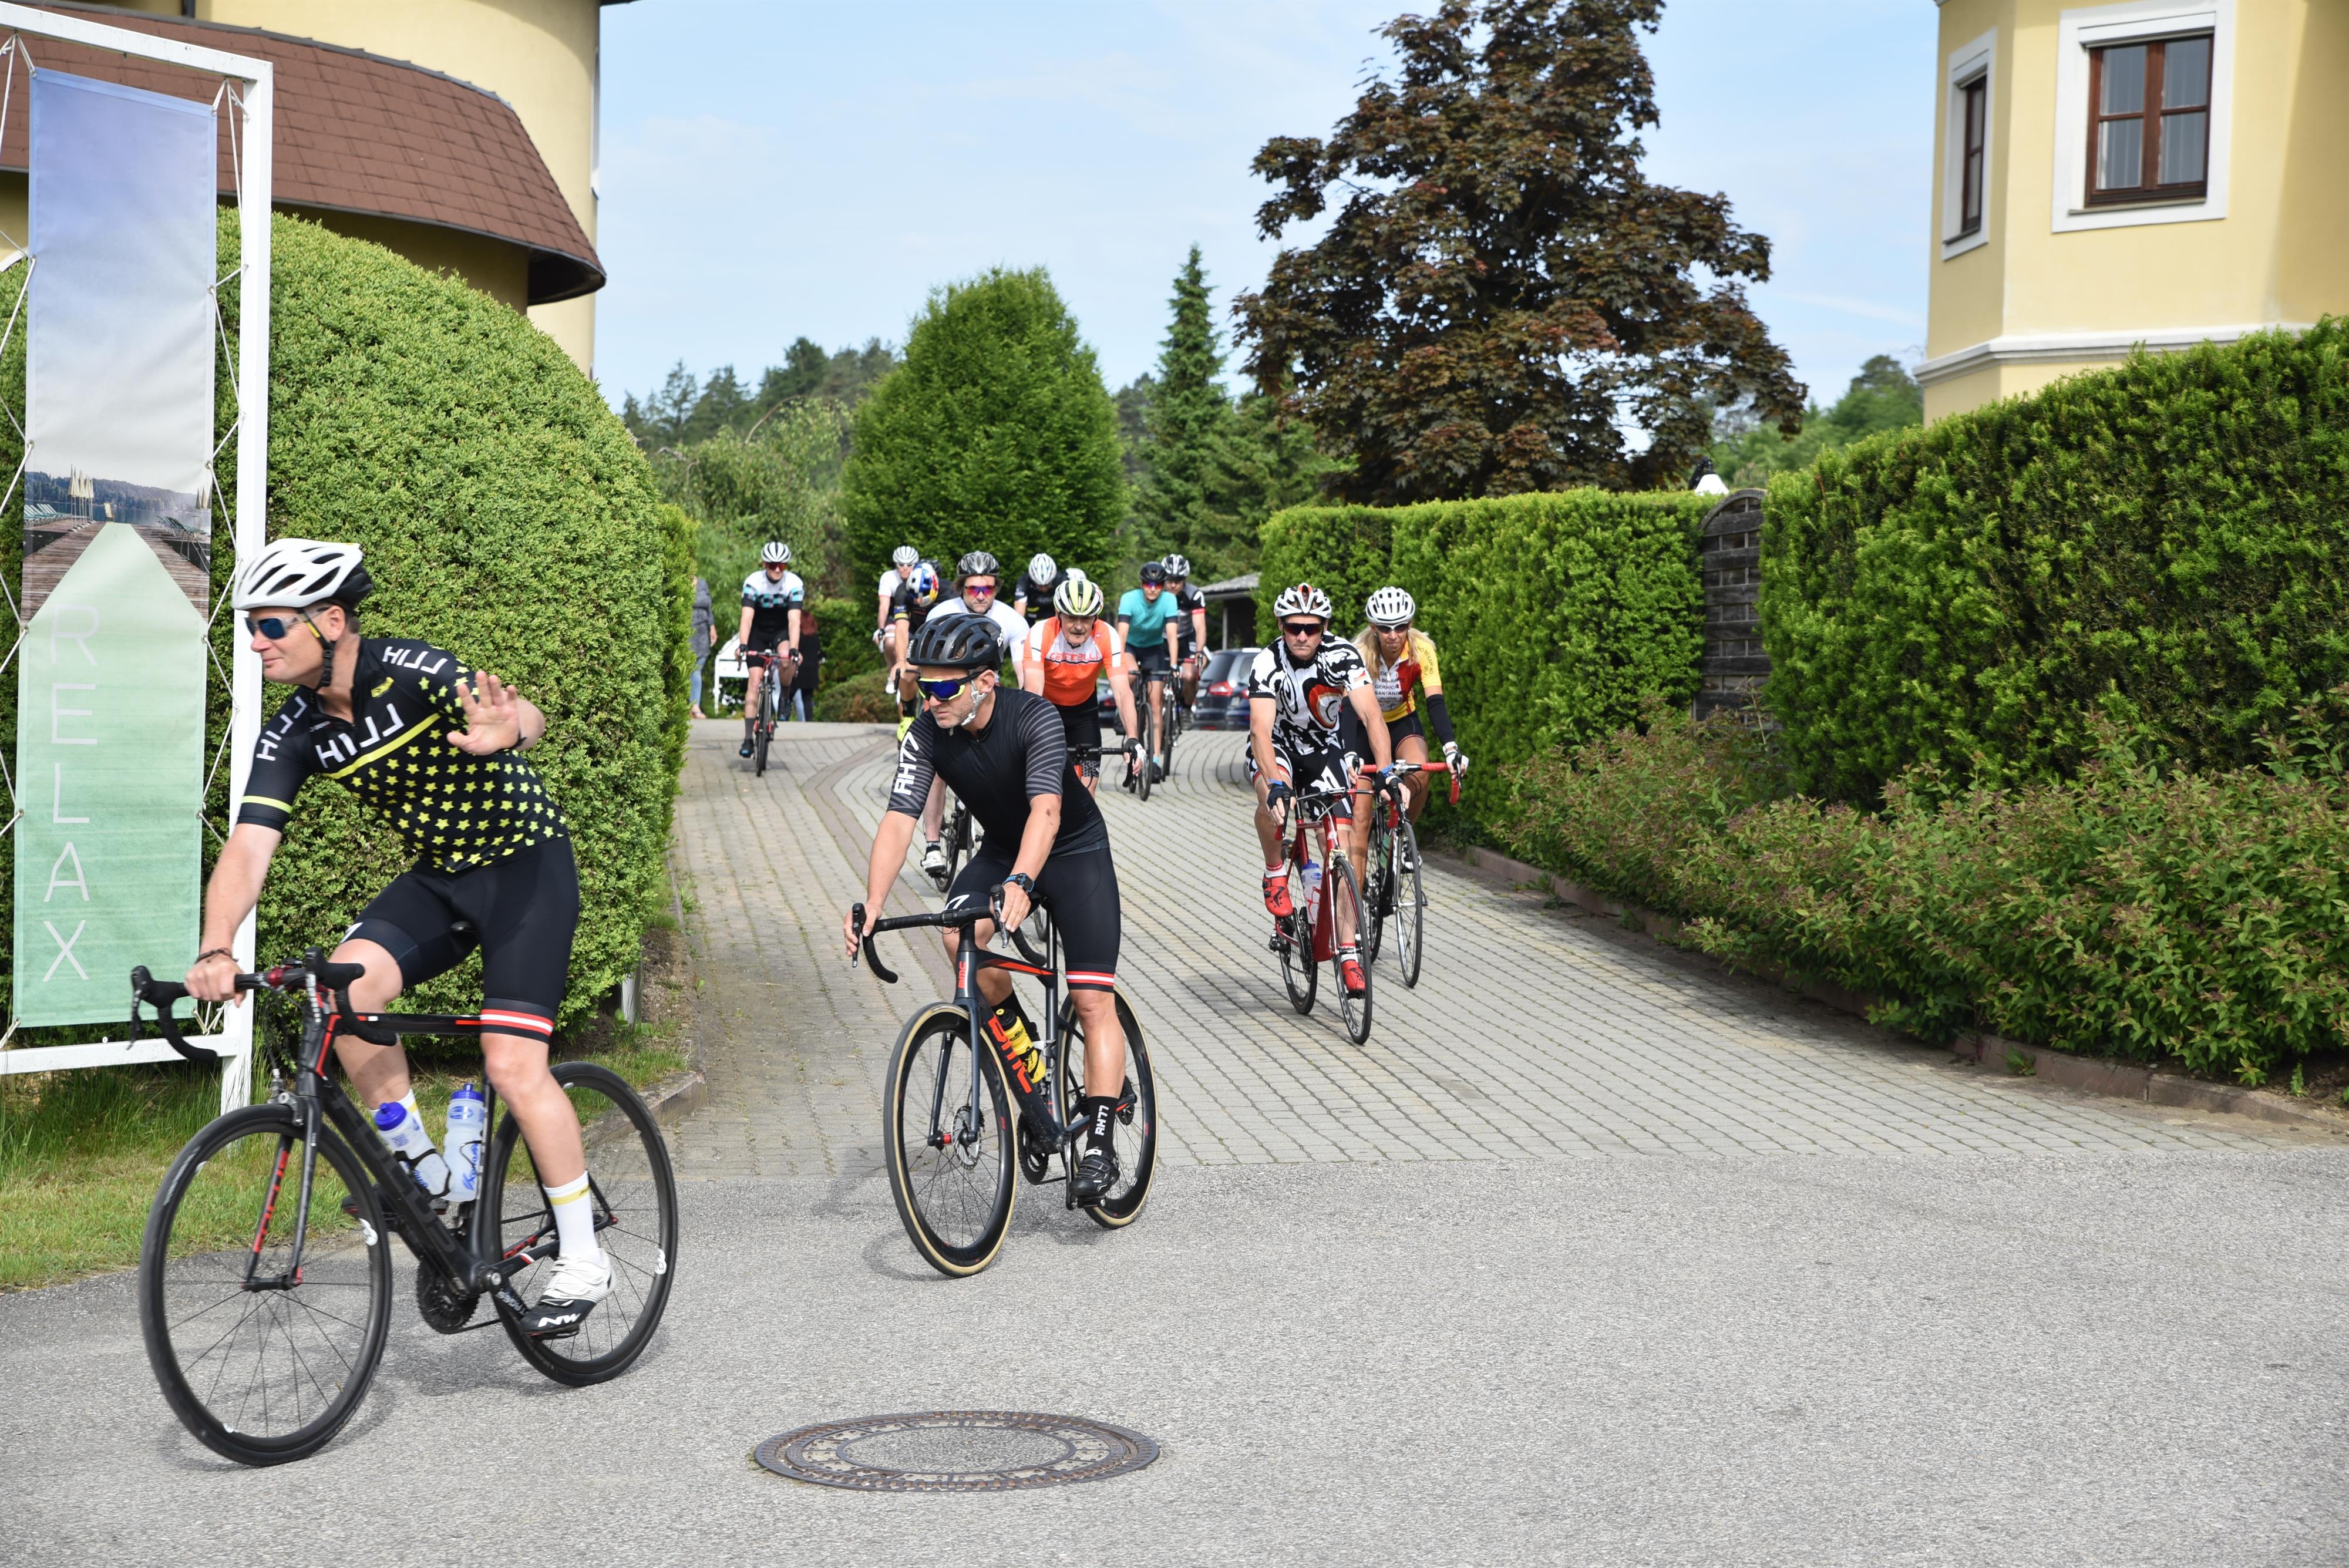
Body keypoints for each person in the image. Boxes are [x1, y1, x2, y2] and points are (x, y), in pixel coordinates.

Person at [188, 539, 605, 1335]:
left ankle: (584, 1256)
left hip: (526, 870)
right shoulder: (297, 729)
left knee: (512, 1065)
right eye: (251, 627)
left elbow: (525, 715)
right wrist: (216, 946)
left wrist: (509, 731)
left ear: (330, 620)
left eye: (271, 625)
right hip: (443, 878)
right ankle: (423, 1173)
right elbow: (247, 848)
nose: (257, 642)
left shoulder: (413, 671)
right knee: (340, 989)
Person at [844, 613, 1133, 1203]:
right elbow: (900, 818)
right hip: (1003, 849)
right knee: (959, 939)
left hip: (1073, 852)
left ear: (984, 681)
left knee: (1090, 999)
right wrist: (872, 903)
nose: (933, 698)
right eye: (926, 685)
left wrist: (1023, 882)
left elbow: (1047, 812)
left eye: (946, 687)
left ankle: (1101, 1145)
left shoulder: (1035, 717)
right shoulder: (927, 732)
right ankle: (1029, 1064)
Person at [1246, 583, 1398, 997]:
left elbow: (1372, 717)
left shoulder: (1343, 656)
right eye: (1293, 627)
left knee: (1343, 848)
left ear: (1324, 628)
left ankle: (1347, 951)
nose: (1302, 636)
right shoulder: (1266, 662)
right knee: (1274, 801)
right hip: (1278, 745)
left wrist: (1385, 771)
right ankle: (1275, 872)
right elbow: (1260, 730)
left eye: (1311, 628)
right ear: (1281, 626)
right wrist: (1277, 785)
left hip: (1322, 750)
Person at [918, 551, 1031, 879]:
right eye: (973, 589)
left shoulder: (1012, 620)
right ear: (961, 588)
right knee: (938, 768)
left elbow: (1024, 673)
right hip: (945, 696)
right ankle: (932, 844)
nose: (981, 595)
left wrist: (1029, 711)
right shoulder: (940, 613)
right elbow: (928, 669)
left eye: (988, 588)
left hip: (986, 698)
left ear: (996, 588)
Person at [1350, 587, 1466, 872]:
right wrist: (1349, 751)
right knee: (1361, 817)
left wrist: (1451, 748)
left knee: (1421, 771)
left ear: (1410, 624)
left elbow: (1435, 702)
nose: (1393, 635)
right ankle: (1355, 890)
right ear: (1373, 627)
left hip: (1402, 720)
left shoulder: (1421, 649)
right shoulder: (1359, 652)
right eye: (1385, 628)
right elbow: (1346, 706)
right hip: (1364, 726)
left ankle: (1401, 833)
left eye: (1400, 627)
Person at [1021, 574, 1139, 795]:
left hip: (1084, 714)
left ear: (1096, 618)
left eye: (1086, 619)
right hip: (1045, 710)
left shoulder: (1108, 635)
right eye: (1071, 618)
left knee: (1089, 785)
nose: (1078, 626)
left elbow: (1123, 692)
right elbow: (1034, 692)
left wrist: (1133, 738)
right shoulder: (1040, 632)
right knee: (1043, 785)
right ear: (1058, 614)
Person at [737, 541, 804, 759]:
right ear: (765, 564)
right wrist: (743, 645)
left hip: (781, 631)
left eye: (782, 565)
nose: (777, 569)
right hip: (758, 631)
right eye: (772, 565)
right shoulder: (753, 582)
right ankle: (748, 738)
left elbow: (794, 621)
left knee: (786, 660)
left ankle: (785, 696)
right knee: (754, 682)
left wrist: (794, 650)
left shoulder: (794, 583)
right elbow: (747, 618)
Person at [1116, 561, 1179, 783]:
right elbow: (1122, 635)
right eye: (1148, 584)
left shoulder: (1169, 600)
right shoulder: (1129, 599)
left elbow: (1172, 635)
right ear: (1141, 584)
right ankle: (1123, 708)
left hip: (1153, 649)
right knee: (1130, 672)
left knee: (1156, 704)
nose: (1152, 589)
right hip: (1131, 646)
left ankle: (1156, 759)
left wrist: (1173, 665)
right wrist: (1118, 663)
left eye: (1158, 585)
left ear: (1163, 586)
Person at [1160, 553, 1211, 715]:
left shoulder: (1193, 595)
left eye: (1178, 580)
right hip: (1161, 640)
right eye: (1169, 580)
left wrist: (1199, 651)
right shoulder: (1156, 593)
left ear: (1185, 580)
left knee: (1190, 676)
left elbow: (1200, 626)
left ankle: (1187, 708)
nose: (1173, 585)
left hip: (1185, 639)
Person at [789, 593, 824, 721]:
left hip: (798, 669)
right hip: (812, 671)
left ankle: (784, 718)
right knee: (807, 699)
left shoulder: (798, 637)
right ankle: (810, 722)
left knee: (788, 695)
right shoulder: (815, 637)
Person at [876, 544, 921, 634]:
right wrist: (881, 630)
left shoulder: (921, 577)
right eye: (901, 565)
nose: (905, 568)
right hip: (895, 615)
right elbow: (884, 607)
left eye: (910, 565)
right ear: (896, 565)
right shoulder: (888, 577)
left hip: (917, 616)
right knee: (890, 638)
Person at [1012, 553, 1060, 627]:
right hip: (1032, 621)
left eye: (1047, 585)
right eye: (1040, 585)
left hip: (1055, 620)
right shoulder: (1025, 580)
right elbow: (1019, 614)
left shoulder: (1060, 580)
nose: (1044, 589)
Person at [688, 575, 713, 719]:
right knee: (689, 669)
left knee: (697, 669)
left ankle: (695, 705)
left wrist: (712, 627)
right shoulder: (681, 581)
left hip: (703, 631)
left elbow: (709, 607)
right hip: (688, 629)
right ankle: (689, 706)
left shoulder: (703, 583)